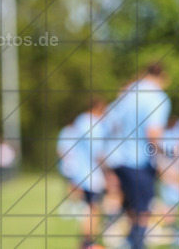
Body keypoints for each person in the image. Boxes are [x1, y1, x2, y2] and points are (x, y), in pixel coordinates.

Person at [103, 63, 171, 249]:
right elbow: (153, 133)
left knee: (130, 207)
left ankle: (129, 241)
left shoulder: (127, 92)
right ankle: (136, 244)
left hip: (115, 158)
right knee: (142, 210)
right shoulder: (157, 96)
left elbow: (109, 122)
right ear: (162, 75)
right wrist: (166, 156)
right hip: (137, 160)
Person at [71, 99, 108, 249]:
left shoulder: (80, 121)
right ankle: (88, 243)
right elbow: (97, 152)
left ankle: (85, 243)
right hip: (92, 175)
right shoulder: (91, 124)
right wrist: (108, 171)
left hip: (81, 173)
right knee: (93, 209)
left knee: (88, 208)